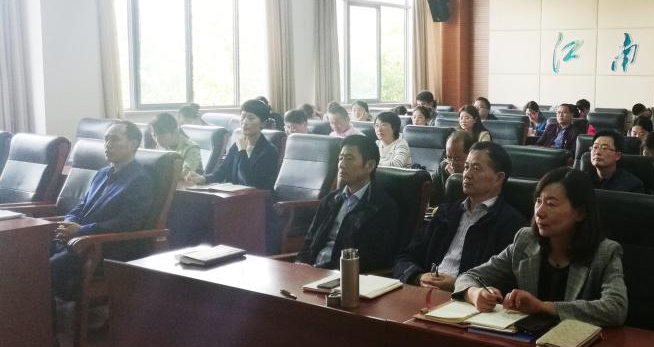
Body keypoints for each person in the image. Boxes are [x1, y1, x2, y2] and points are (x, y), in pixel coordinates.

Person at [453, 167, 628, 327]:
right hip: (524, 341)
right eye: (538, 201)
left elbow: (616, 308)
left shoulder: (605, 252)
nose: (539, 212)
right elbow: (469, 276)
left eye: (551, 204)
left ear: (580, 213)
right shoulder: (526, 240)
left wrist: (543, 307)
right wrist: (474, 293)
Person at [395, 142, 527, 291]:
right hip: (424, 291)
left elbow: (506, 281)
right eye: (466, 167)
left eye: (476, 168)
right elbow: (406, 256)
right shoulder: (446, 213)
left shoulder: (511, 224)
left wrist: (459, 285)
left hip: (468, 299)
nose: (467, 174)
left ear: (498, 178)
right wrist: (418, 276)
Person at [50, 121, 153, 301]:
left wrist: (82, 230)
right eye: (106, 139)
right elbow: (82, 205)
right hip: (78, 240)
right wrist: (69, 222)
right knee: (27, 253)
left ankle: (47, 314)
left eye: (115, 139)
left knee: (45, 269)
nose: (108, 145)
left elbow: (128, 223)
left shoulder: (140, 180)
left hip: (104, 247)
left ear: (133, 144)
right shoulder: (102, 173)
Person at [295, 135, 400, 272]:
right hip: (312, 272)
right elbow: (309, 241)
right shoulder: (330, 200)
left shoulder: (382, 207)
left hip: (344, 277)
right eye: (340, 158)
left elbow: (372, 258)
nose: (341, 165)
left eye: (349, 159)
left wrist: (322, 270)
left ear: (369, 166)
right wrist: (300, 264)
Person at [187, 98, 279, 190]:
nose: (245, 122)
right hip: (236, 195)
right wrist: (203, 178)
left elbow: (250, 182)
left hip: (257, 197)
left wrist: (242, 152)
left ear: (263, 123)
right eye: (243, 117)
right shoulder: (237, 145)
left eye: (250, 118)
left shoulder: (268, 150)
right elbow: (222, 172)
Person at [150, 113, 201, 178]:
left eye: (162, 136)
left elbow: (185, 174)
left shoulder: (191, 148)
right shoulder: (160, 146)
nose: (157, 140)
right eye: (154, 135)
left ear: (176, 131)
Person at [429, 130, 473, 206]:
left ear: (470, 155)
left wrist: (456, 179)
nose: (452, 163)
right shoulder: (443, 167)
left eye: (457, 158)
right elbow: (432, 198)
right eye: (449, 157)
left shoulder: (476, 174)